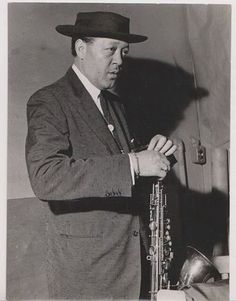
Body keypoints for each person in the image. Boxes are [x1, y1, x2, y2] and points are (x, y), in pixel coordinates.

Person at [25, 11, 177, 299]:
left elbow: (113, 160)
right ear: (81, 49)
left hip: (131, 263)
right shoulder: (49, 101)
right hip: (90, 274)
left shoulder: (115, 104)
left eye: (124, 52)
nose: (120, 61)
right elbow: (45, 176)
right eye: (111, 50)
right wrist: (134, 163)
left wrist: (151, 153)